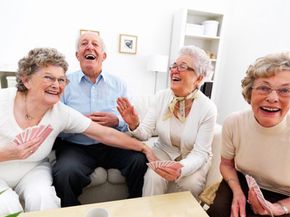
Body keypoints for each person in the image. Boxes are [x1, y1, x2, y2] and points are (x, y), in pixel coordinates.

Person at [0, 47, 156, 216]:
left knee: (44, 199)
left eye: (61, 80)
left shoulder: (60, 112)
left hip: (32, 170)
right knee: (7, 203)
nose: (56, 85)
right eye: (48, 77)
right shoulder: (4, 100)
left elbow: (106, 133)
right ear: (26, 80)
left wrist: (144, 148)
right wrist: (6, 153)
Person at [52, 32, 150, 207]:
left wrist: (117, 121)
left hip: (112, 144)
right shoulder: (63, 83)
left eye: (95, 44)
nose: (89, 47)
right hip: (77, 146)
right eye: (84, 44)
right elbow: (57, 122)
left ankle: (134, 208)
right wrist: (78, 123)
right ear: (77, 55)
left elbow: (125, 118)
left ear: (103, 56)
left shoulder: (119, 84)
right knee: (65, 173)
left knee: (138, 161)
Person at [117, 45, 217, 197]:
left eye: (183, 67)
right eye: (174, 66)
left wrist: (180, 168)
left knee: (191, 184)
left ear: (199, 78)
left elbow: (201, 153)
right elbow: (145, 134)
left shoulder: (208, 108)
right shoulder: (161, 97)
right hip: (164, 151)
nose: (175, 70)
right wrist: (134, 123)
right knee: (153, 177)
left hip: (193, 156)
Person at [207, 52, 290, 217]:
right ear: (249, 92)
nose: (272, 98)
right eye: (264, 88)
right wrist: (238, 192)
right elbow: (226, 164)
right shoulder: (234, 122)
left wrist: (280, 208)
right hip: (242, 183)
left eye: (285, 90)